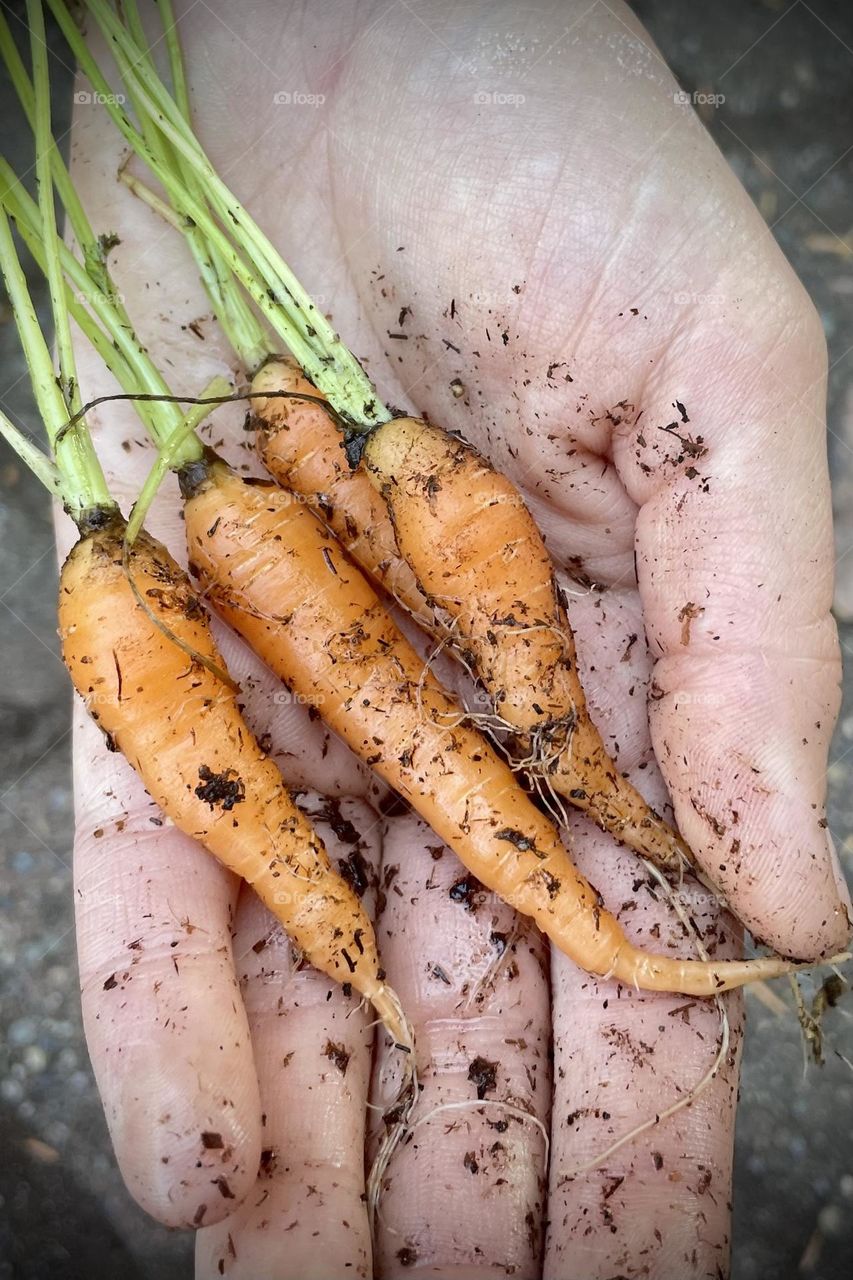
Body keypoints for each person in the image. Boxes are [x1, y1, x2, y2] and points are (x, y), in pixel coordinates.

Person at [64, 1, 850, 1275]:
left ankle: (622, 891)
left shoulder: (343, 455)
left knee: (480, 719)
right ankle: (453, 967)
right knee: (377, 742)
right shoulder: (222, 526)